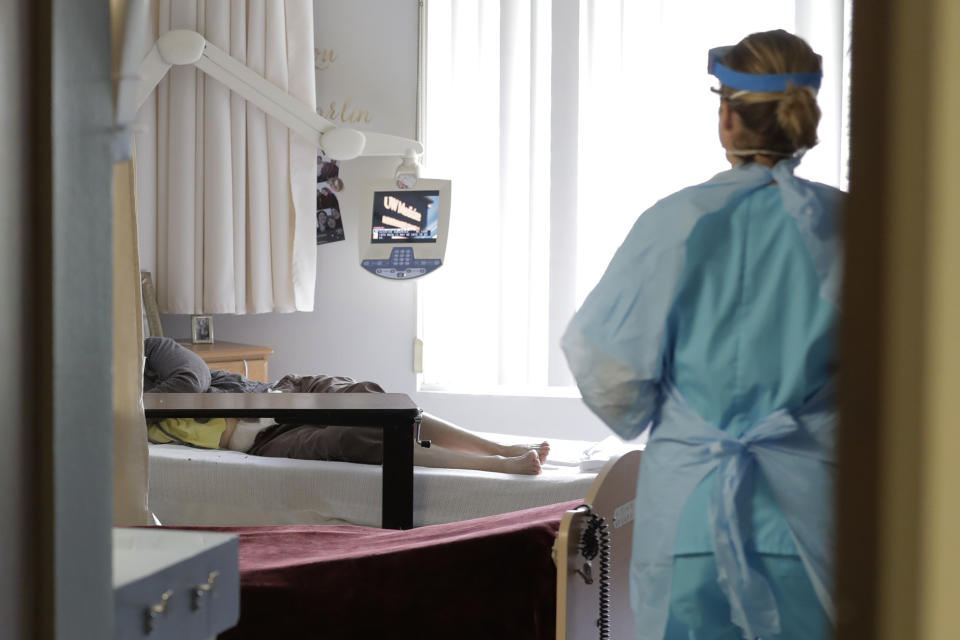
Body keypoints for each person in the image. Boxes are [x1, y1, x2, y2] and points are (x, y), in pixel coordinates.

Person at [561, 31, 841, 640]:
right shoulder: (854, 229)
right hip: (814, 513)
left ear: (729, 118)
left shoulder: (674, 223)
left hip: (691, 508)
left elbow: (611, 375)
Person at [144, 336, 549, 475]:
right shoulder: (105, 414)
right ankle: (496, 467)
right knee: (353, 438)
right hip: (262, 440)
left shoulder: (153, 351)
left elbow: (190, 378)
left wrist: (134, 402)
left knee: (377, 402)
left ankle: (500, 447)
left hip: (283, 394)